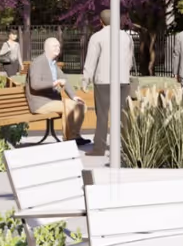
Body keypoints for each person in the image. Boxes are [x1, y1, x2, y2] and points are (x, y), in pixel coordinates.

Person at [82, 9, 134, 157]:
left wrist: (86, 80)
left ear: (101, 21)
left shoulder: (97, 37)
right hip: (122, 80)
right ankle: (126, 146)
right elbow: (129, 58)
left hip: (103, 80)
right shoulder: (126, 37)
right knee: (123, 114)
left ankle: (99, 147)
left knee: (103, 115)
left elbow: (91, 61)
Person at [25, 37, 86, 141]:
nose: (58, 48)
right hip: (41, 103)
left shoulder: (53, 64)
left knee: (81, 105)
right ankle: (69, 138)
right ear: (47, 48)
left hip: (52, 101)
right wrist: (54, 83)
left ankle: (75, 136)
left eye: (59, 46)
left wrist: (73, 96)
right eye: (55, 46)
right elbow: (35, 85)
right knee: (70, 106)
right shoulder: (38, 63)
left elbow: (64, 80)